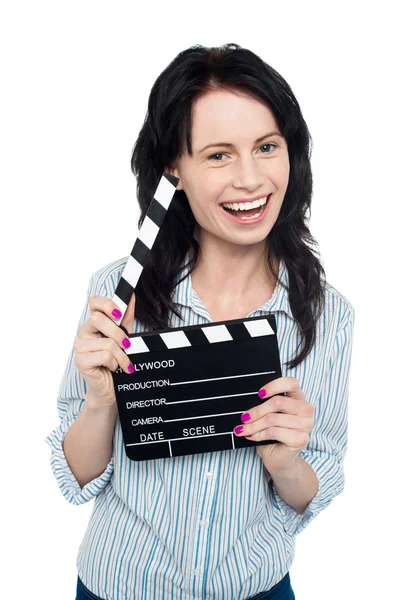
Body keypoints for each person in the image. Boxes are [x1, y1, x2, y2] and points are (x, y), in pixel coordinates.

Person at [45, 43, 355, 600]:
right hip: (120, 584)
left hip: (255, 587)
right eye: (217, 155)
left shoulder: (327, 314)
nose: (250, 178)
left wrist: (285, 462)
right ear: (175, 171)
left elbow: (315, 486)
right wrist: (99, 400)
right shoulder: (119, 294)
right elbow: (77, 478)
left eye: (267, 146)